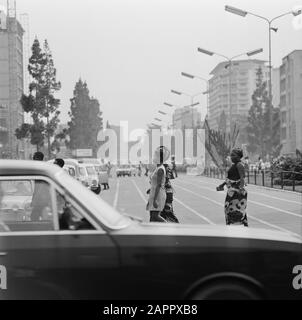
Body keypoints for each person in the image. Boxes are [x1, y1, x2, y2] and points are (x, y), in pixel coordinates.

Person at [217, 148, 248, 227]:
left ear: (239, 156)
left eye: (233, 155)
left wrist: (239, 189)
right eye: (231, 155)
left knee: (237, 211)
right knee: (228, 210)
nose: (231, 157)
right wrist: (222, 185)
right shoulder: (234, 165)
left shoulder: (239, 165)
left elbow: (242, 178)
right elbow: (231, 178)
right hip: (232, 191)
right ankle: (232, 227)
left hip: (237, 193)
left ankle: (238, 229)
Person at [146, 146, 170, 222]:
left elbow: (159, 185)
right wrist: (150, 189)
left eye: (155, 155)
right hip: (154, 193)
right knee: (152, 217)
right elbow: (155, 182)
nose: (154, 157)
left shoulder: (160, 169)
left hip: (158, 195)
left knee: (155, 216)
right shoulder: (158, 167)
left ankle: (168, 227)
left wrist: (155, 200)